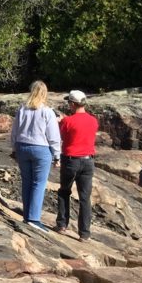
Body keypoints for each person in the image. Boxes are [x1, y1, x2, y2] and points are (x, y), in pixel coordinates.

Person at [10, 80, 61, 232]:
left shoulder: (22, 110)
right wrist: (57, 155)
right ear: (45, 93)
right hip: (41, 149)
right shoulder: (47, 111)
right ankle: (33, 218)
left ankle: (27, 216)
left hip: (22, 147)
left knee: (26, 181)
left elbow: (14, 131)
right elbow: (53, 136)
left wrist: (14, 148)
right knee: (39, 183)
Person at [56, 90, 99, 241]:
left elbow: (62, 136)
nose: (68, 105)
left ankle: (62, 225)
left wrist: (61, 121)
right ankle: (84, 234)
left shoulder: (68, 121)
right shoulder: (93, 121)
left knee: (64, 191)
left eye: (69, 103)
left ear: (73, 104)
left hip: (71, 160)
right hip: (88, 161)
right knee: (85, 198)